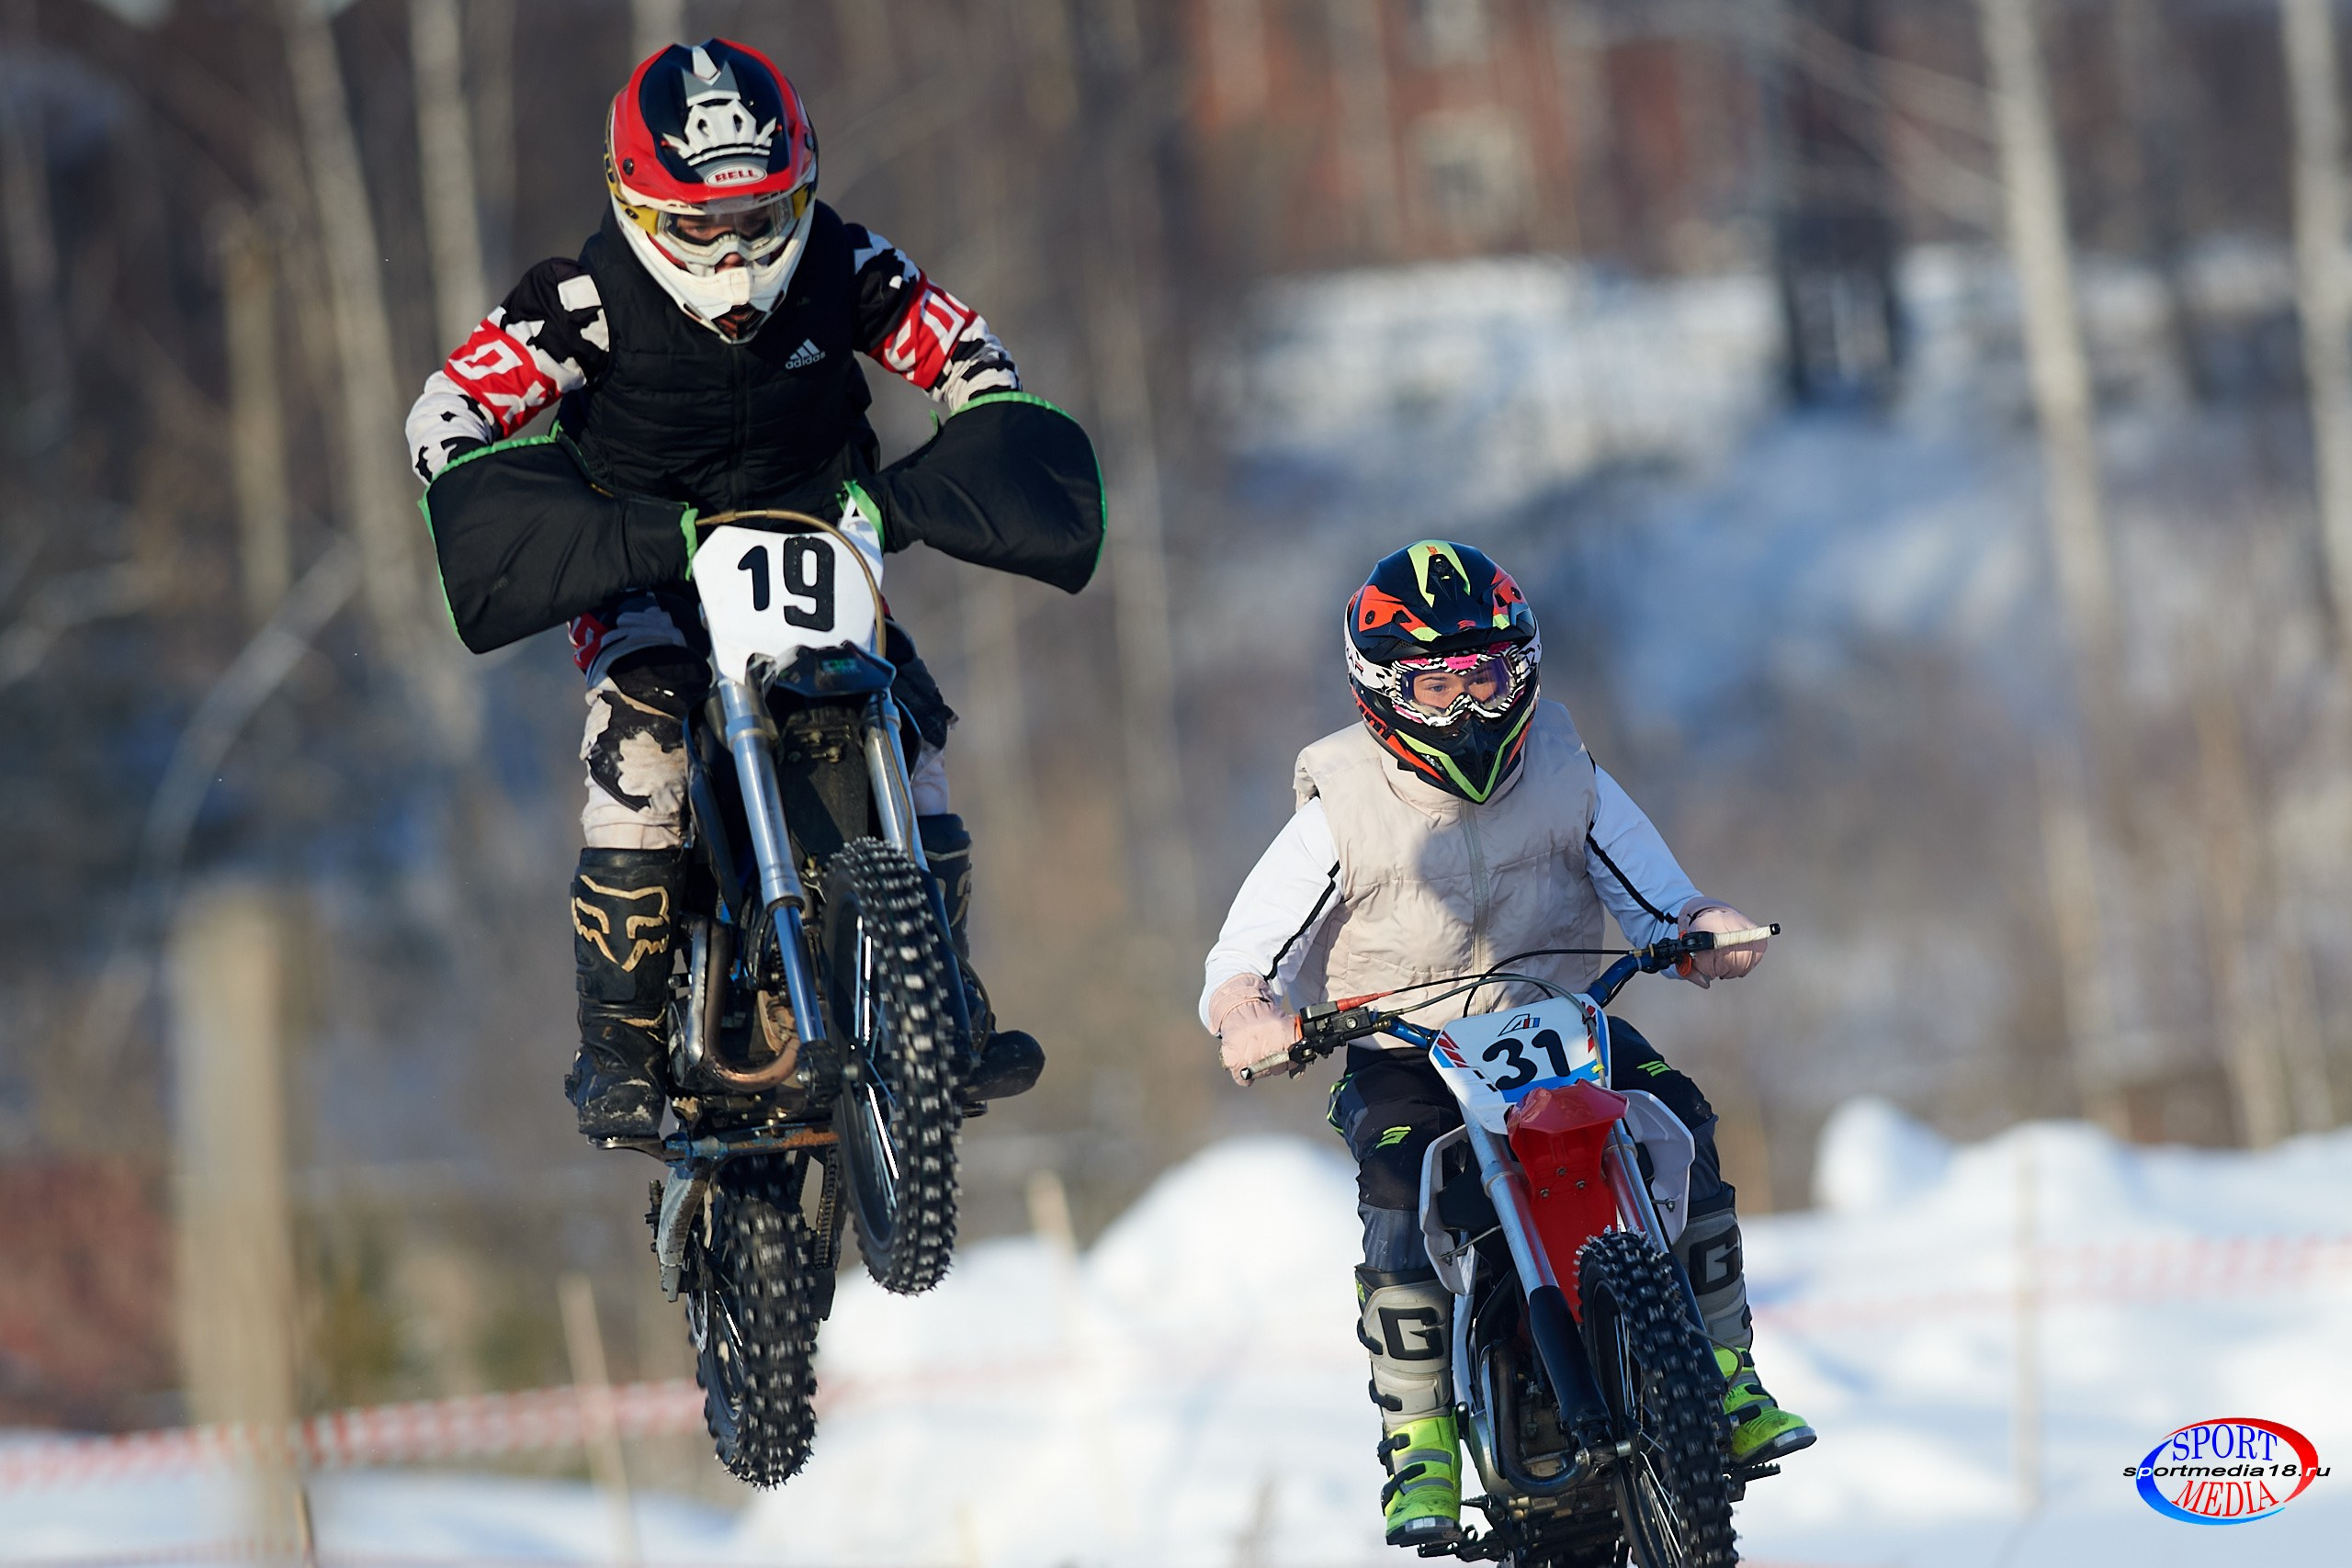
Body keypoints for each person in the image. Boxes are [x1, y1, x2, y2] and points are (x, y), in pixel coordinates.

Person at [406, 39, 1099, 1141]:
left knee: (914, 725)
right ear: (639, 206)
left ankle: (943, 999)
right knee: (643, 744)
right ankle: (618, 1046)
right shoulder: (580, 300)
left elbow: (967, 351)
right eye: (701, 225)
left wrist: (963, 440)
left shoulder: (849, 264)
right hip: (648, 566)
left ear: (800, 191)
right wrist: (520, 508)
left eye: (759, 217)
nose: (733, 250)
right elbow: (446, 411)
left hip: (819, 546)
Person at [1200, 541, 1814, 1548]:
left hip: (1561, 1019)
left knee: (1680, 1115)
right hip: (1404, 1044)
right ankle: (1420, 1438)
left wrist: (1702, 927)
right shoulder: (1339, 807)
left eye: (1485, 676)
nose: (1468, 708)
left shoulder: (1567, 771)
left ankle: (1726, 1372)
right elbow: (1247, 950)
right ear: (1382, 693)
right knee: (1399, 1179)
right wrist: (1246, 1010)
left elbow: (1658, 894)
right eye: (1436, 685)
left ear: (1521, 670)